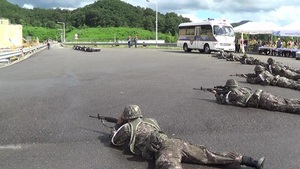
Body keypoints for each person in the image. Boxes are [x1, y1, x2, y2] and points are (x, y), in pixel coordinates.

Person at [110, 105, 265, 169]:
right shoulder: (151, 121)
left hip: (165, 149)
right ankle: (250, 160)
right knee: (209, 155)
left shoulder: (128, 128)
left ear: (126, 117)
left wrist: (118, 124)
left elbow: (115, 141)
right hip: (174, 142)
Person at [212, 79, 300, 114]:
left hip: (263, 100)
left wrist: (216, 94)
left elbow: (223, 101)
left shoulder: (232, 94)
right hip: (262, 95)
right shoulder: (241, 89)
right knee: (286, 101)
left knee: (285, 106)